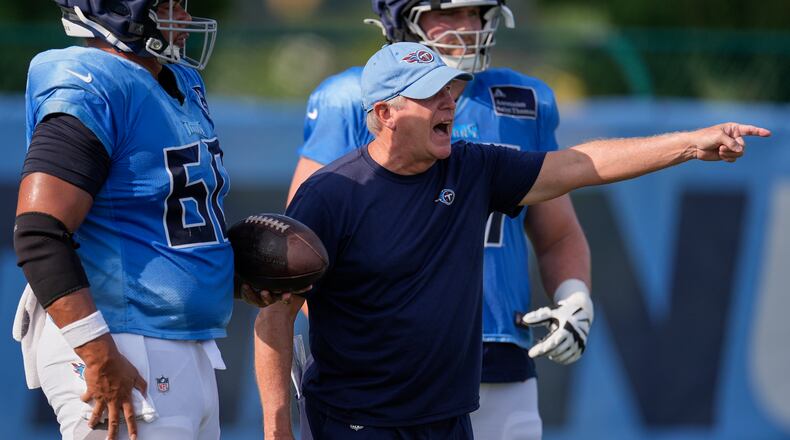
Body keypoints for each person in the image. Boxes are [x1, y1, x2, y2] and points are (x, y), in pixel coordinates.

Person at [256, 41, 769, 439]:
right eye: (429, 94)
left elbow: (578, 165)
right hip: (356, 424)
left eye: (449, 89)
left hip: (448, 420)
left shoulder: (472, 166)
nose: (448, 102)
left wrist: (688, 144)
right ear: (385, 114)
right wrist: (278, 428)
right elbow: (274, 316)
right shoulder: (333, 194)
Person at [258, 1, 590, 438]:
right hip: (381, 374)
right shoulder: (354, 97)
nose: (467, 27)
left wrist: (574, 292)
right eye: (448, 14)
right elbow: (301, 253)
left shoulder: (520, 99)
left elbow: (558, 232)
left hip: (501, 352)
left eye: (476, 14)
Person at [12, 1, 232, 439]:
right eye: (169, 7)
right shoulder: (90, 85)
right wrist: (95, 351)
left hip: (182, 340)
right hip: (121, 339)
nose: (183, 20)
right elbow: (38, 231)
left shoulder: (178, 80)